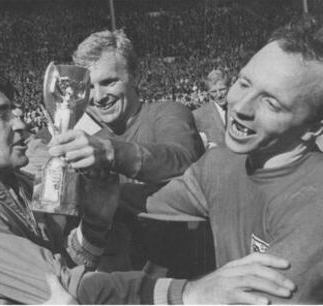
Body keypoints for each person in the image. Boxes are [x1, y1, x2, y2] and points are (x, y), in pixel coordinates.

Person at [0, 77, 194, 304]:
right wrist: (189, 293)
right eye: (2, 116)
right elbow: (68, 289)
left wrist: (96, 221)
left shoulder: (14, 183)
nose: (21, 123)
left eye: (14, 111)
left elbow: (58, 259)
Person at [124, 17, 323, 304]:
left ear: (313, 128)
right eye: (243, 83)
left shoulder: (314, 206)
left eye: (271, 102)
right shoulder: (222, 162)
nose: (240, 106)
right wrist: (101, 188)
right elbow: (153, 201)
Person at [46, 29, 212, 276]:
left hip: (189, 275)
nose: (99, 97)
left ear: (135, 76)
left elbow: (181, 158)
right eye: (90, 87)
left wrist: (112, 154)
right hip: (129, 284)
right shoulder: (93, 144)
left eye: (109, 82)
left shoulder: (167, 113)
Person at [193, 69, 230, 149]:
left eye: (222, 89)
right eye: (213, 91)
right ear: (209, 92)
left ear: (229, 87)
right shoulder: (199, 115)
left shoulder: (241, 108)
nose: (219, 95)